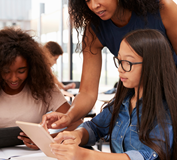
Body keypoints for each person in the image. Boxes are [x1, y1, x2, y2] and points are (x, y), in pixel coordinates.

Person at [41, 0, 177, 131]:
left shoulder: (163, 7)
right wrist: (69, 116)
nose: (93, 5)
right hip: (138, 102)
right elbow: (87, 92)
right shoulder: (94, 30)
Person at [49, 29, 177, 160]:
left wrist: (86, 155)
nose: (120, 68)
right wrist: (78, 135)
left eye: (128, 63)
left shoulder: (165, 110)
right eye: (119, 60)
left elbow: (146, 155)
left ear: (151, 65)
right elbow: (94, 127)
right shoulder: (122, 102)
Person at [0, 27, 82, 149]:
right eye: (6, 71)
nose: (14, 78)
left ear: (31, 67)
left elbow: (77, 124)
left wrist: (47, 140)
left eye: (21, 71)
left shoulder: (45, 88)